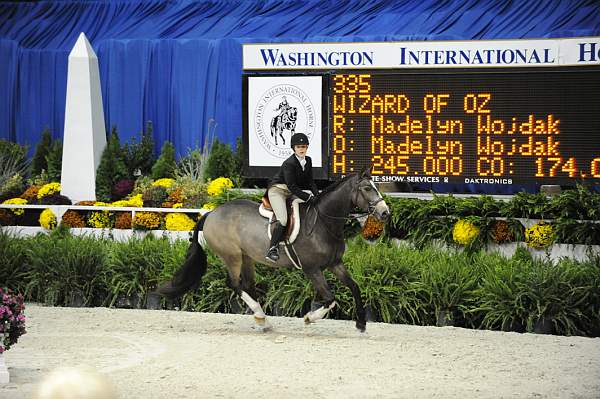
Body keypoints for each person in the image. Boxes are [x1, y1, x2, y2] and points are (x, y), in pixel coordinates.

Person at [265, 132, 319, 262]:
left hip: (291, 191)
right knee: (283, 219)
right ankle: (272, 249)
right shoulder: (289, 163)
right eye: (299, 146)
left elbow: (310, 181)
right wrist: (308, 197)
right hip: (278, 191)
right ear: (294, 148)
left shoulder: (308, 160)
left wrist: (318, 196)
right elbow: (292, 186)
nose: (302, 149)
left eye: (304, 146)